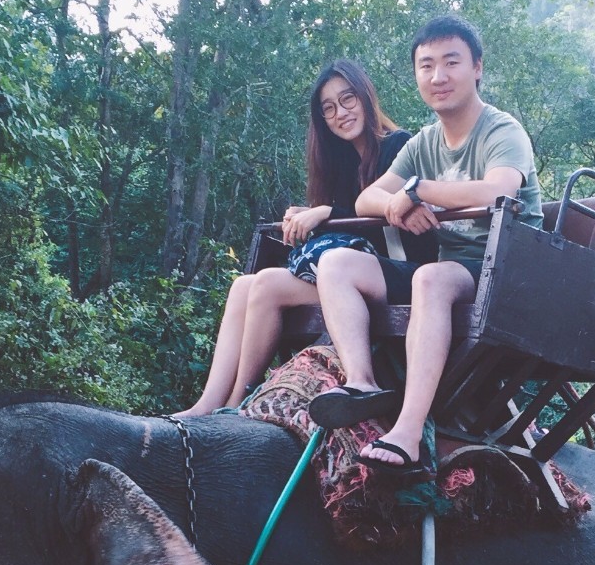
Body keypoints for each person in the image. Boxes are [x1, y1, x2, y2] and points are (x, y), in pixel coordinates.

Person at [308, 15, 544, 473]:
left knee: (432, 277)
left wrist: (419, 190)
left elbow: (497, 192)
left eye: (450, 62)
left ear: (476, 67)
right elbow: (367, 196)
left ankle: (407, 432)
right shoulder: (423, 142)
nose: (438, 77)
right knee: (336, 263)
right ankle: (361, 383)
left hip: (504, 275)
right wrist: (398, 201)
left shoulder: (501, 130)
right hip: (451, 270)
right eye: (426, 65)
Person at [179, 59, 423, 416]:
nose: (341, 113)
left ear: (366, 97)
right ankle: (207, 403)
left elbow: (382, 220)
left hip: (395, 273)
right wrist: (305, 216)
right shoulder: (339, 162)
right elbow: (344, 222)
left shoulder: (398, 146)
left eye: (348, 99)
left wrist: (326, 213)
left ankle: (235, 405)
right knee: (246, 286)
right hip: (348, 277)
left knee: (266, 285)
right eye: (329, 108)